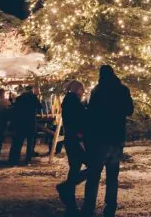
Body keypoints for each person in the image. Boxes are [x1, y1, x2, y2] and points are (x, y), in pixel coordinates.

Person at [80, 66, 134, 217]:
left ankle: (88, 207)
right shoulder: (123, 90)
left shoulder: (97, 90)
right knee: (112, 176)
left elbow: (91, 114)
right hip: (116, 137)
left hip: (100, 138)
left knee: (94, 174)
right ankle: (110, 207)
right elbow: (129, 110)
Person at [57, 80, 88, 214]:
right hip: (76, 139)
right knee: (90, 166)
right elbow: (77, 120)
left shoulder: (70, 101)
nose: (83, 92)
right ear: (77, 89)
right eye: (82, 90)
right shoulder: (73, 103)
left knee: (75, 168)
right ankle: (66, 188)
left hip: (72, 139)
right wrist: (80, 135)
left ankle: (70, 199)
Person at [9, 86, 42, 165]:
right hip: (30, 122)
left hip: (21, 122)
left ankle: (15, 160)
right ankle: (28, 160)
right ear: (31, 90)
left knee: (19, 142)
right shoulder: (33, 97)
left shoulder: (19, 98)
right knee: (30, 142)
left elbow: (14, 107)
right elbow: (40, 107)